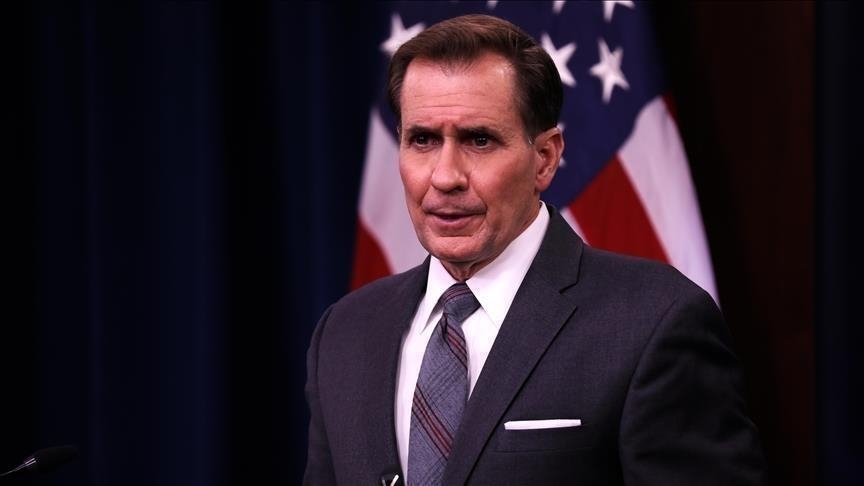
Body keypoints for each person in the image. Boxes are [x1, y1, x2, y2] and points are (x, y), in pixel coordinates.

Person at [304, 14, 764, 485]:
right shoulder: (345, 333)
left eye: (479, 140)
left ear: (545, 158)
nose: (444, 177)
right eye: (422, 140)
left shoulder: (653, 322)